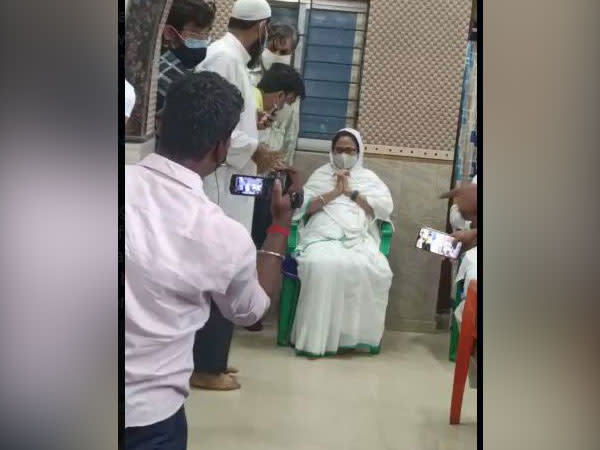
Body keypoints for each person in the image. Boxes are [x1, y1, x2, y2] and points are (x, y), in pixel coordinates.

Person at [125, 72, 297, 450]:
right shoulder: (223, 236)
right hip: (148, 419)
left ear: (159, 123)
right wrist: (279, 228)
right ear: (222, 149)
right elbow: (251, 310)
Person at [191, 0, 283, 387]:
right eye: (269, 31)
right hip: (219, 184)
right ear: (261, 27)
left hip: (235, 182)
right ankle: (205, 369)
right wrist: (255, 148)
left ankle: (214, 360)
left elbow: (233, 117)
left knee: (229, 268)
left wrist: (253, 125)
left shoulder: (236, 61)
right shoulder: (223, 58)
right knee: (219, 270)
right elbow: (211, 119)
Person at [289, 128, 394, 357]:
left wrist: (352, 193)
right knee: (321, 263)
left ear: (359, 152)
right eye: (339, 150)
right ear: (332, 151)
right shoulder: (320, 174)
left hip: (359, 235)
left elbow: (384, 209)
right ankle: (315, 339)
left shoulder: (369, 179)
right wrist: (334, 193)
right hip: (322, 233)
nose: (344, 155)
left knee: (368, 267)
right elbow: (303, 208)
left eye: (350, 150)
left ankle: (351, 336)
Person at [251, 63, 306, 248]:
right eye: (287, 102)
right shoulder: (250, 106)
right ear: (281, 95)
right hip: (247, 185)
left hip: (262, 184)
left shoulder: (265, 114)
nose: (285, 108)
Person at [156, 0, 216, 125]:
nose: (203, 40)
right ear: (170, 33)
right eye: (196, 33)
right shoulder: (162, 79)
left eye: (206, 33)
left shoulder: (190, 71)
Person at [249, 22, 301, 166]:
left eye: (283, 52)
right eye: (273, 49)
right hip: (245, 159)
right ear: (265, 45)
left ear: (292, 53)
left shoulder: (293, 88)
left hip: (273, 166)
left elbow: (291, 134)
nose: (277, 54)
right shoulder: (248, 77)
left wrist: (284, 168)